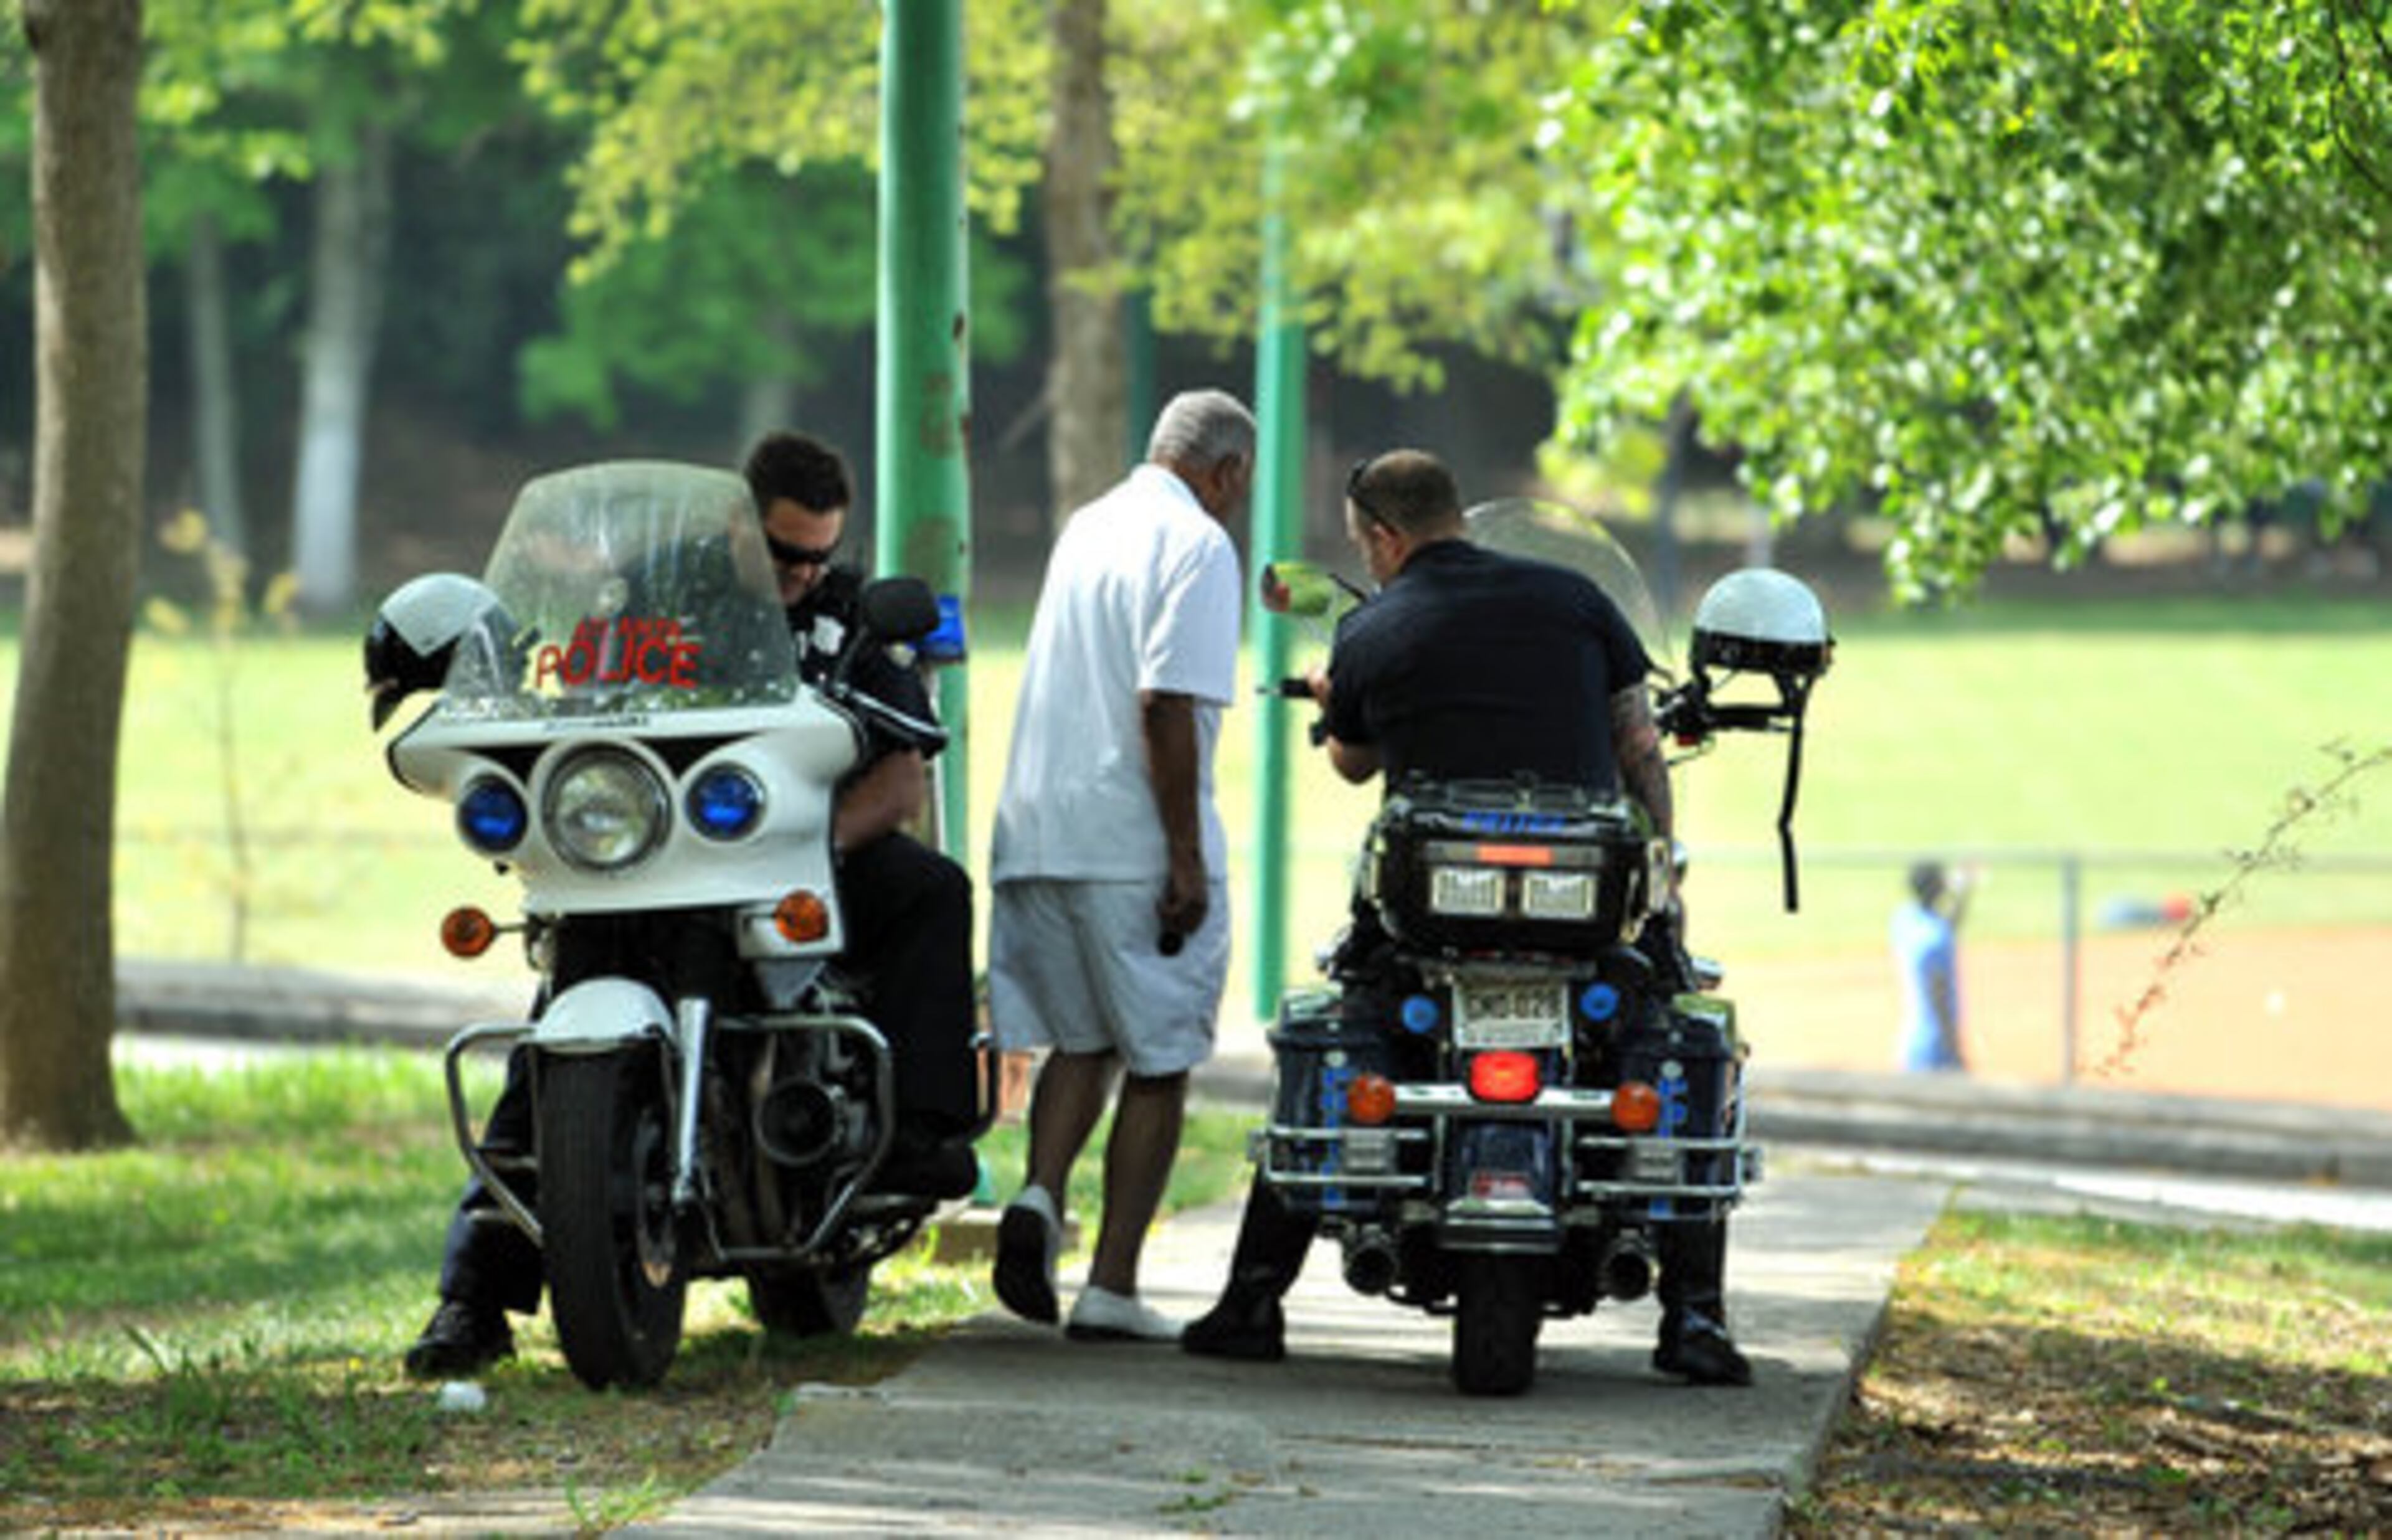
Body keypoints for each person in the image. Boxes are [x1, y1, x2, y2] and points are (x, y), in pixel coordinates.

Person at [401, 431, 979, 1379]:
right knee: (546, 1053)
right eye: (787, 553)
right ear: (733, 524)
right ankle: (471, 1301)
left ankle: (921, 1132)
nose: (805, 573)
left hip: (790, 859)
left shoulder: (843, 614)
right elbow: (565, 705)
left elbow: (904, 774)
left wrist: (818, 846)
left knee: (932, 888)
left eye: (820, 554)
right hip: (642, 861)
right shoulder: (642, 601)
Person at [1179, 448, 1753, 1387]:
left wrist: (1337, 700)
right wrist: (1662, 881)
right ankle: (1695, 1317)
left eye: (1366, 544)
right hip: (1584, 911)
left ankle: (1252, 1300)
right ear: (1460, 518)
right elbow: (1638, 749)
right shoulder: (1577, 602)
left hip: (1429, 916)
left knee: (1343, 1019)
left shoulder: (1373, 629)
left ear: (1382, 535)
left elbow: (1356, 766)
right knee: (1668, 1027)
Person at [985, 388, 1254, 1344]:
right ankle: (1111, 1282)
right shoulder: (1199, 545)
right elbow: (1163, 702)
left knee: (1081, 1037)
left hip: (1037, 828)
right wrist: (1183, 854)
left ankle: (1039, 1197)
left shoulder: (1087, 526)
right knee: (1161, 1057)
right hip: (1131, 842)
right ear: (1226, 472)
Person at [1893, 860, 1972, 1073]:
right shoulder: (1937, 940)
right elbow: (1940, 998)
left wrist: (1963, 891)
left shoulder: (1903, 919)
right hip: (1936, 1047)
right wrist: (1954, 1048)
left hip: (1912, 1044)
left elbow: (1946, 925)